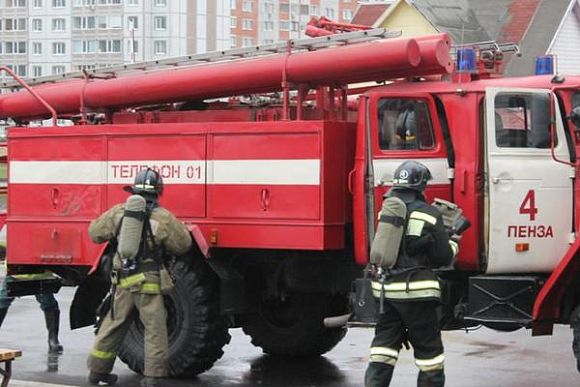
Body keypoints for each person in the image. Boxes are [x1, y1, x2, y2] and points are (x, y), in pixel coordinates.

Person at [86, 168, 192, 387]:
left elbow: (95, 233)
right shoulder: (162, 217)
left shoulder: (119, 212)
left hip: (122, 279)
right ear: (158, 191)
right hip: (147, 282)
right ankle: (154, 376)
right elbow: (183, 245)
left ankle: (97, 371)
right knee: (155, 326)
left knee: (114, 323)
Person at [365, 161, 458, 387]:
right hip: (416, 292)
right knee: (430, 354)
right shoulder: (429, 213)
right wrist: (454, 242)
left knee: (383, 349)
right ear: (421, 185)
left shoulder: (387, 210)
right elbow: (442, 258)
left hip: (386, 291)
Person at [0, 271, 63, 353]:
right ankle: (53, 340)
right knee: (2, 303)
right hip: (19, 273)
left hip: (37, 275)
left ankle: (53, 340)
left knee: (49, 304)